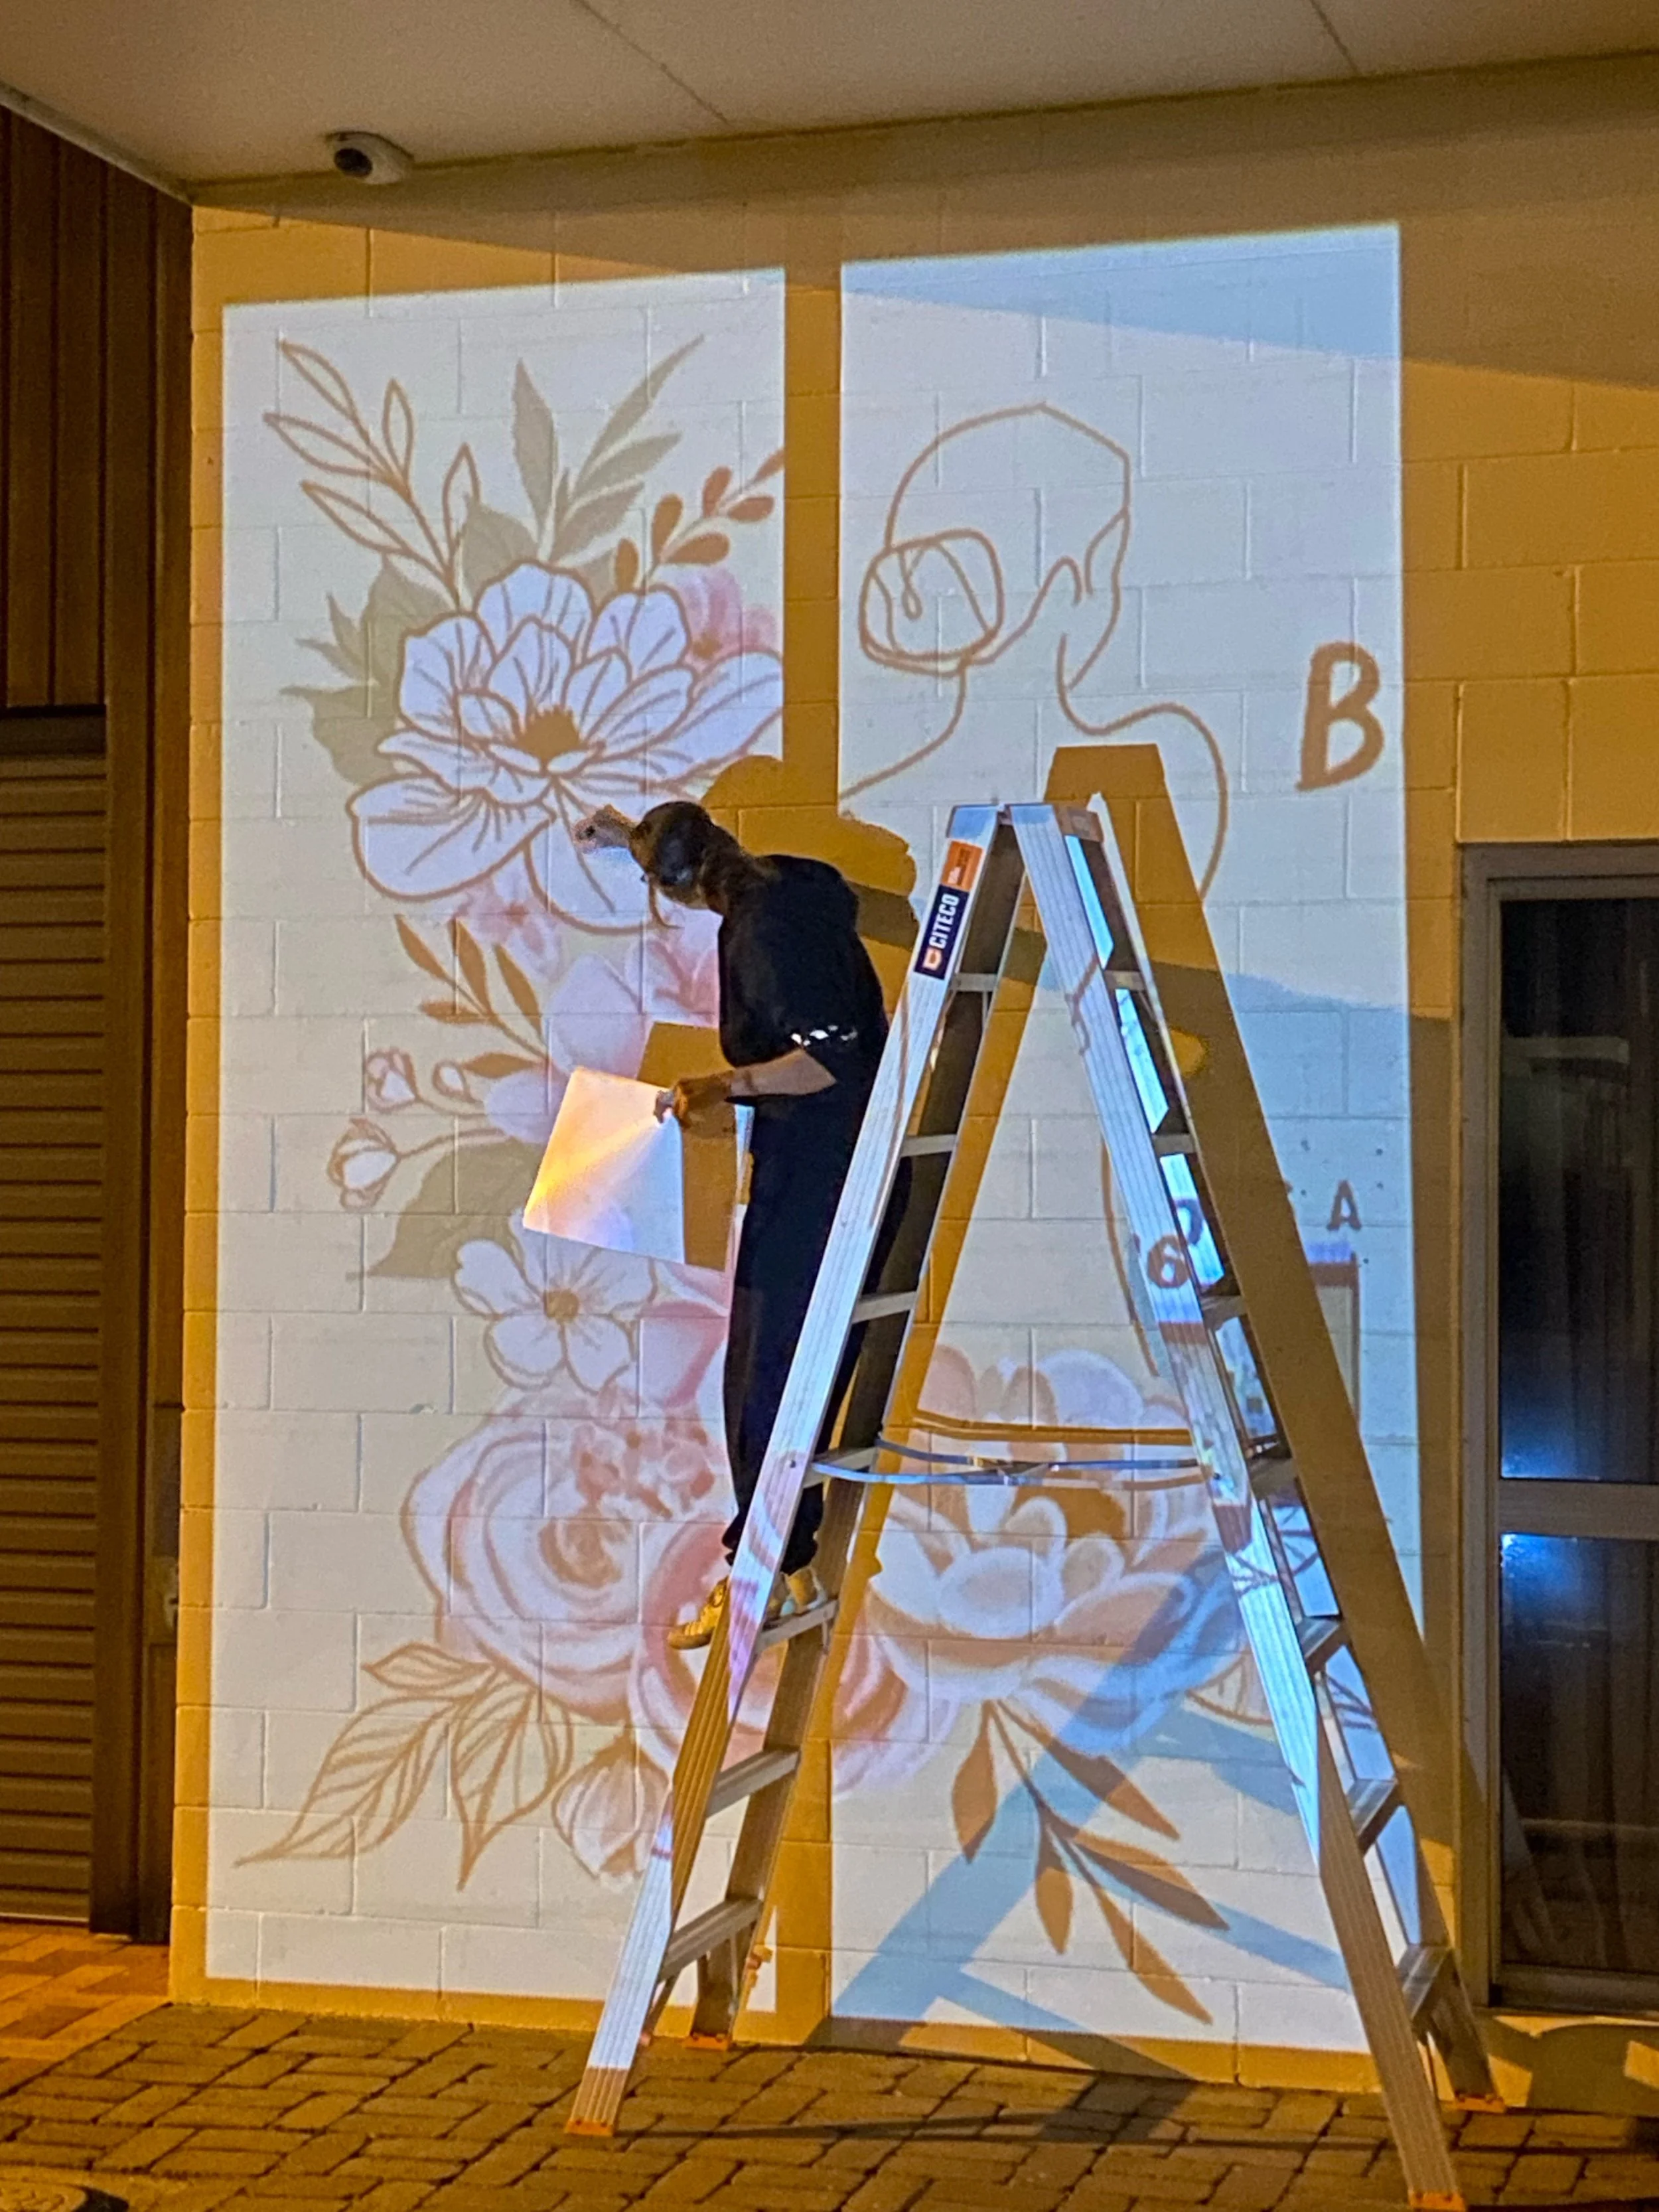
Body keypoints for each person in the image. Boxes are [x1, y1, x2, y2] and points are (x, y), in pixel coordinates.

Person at [575, 800, 890, 1650]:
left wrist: (725, 1085)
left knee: (768, 1378)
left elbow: (828, 1060)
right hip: (824, 1164)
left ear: (669, 890)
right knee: (766, 1370)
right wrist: (622, 836)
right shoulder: (790, 885)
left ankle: (763, 1569)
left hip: (826, 1172)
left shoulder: (762, 935)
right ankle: (779, 1564)